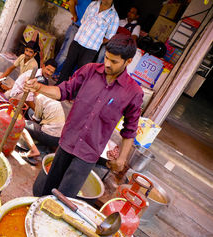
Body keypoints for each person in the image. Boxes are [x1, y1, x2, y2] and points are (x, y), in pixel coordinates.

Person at [24, 34, 143, 198]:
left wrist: (122, 159)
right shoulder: (90, 71)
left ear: (128, 61)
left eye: (114, 61)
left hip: (88, 153)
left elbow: (130, 130)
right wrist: (37, 87)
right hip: (67, 141)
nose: (107, 64)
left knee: (64, 197)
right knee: (46, 188)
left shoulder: (133, 93)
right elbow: (63, 91)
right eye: (107, 58)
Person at [57, 0, 119, 84]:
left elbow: (109, 37)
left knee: (80, 73)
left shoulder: (114, 17)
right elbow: (83, 21)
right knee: (67, 66)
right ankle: (58, 87)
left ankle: (71, 93)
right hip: (77, 41)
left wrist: (96, 41)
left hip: (90, 49)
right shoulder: (93, 5)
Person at [20, 94, 72, 166]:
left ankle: (34, 150)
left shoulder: (39, 98)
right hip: (59, 140)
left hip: (49, 136)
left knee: (22, 123)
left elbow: (35, 120)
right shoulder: (59, 99)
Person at [54, 0, 92, 76]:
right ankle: (55, 73)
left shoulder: (97, 3)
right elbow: (71, 2)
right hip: (77, 28)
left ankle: (59, 75)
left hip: (85, 32)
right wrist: (75, 16)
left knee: (72, 56)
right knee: (65, 53)